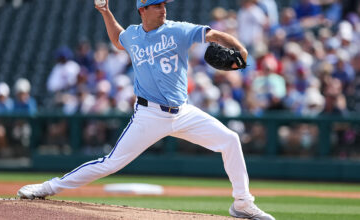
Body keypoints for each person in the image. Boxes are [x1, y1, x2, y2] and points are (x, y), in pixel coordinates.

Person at [17, 1, 274, 219]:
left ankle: (242, 202)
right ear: (142, 10)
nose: (163, 9)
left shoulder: (178, 30)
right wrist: (106, 11)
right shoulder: (133, 35)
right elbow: (118, 39)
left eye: (164, 4)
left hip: (183, 112)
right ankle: (48, 187)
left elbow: (214, 35)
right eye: (156, 5)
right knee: (110, 163)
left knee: (230, 140)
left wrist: (241, 49)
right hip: (148, 115)